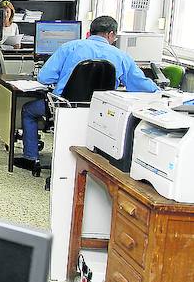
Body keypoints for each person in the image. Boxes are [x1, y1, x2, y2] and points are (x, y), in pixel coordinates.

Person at [14, 15, 159, 170]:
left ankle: (31, 158)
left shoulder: (69, 47)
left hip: (65, 107)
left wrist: (62, 77)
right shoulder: (122, 56)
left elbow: (44, 77)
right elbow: (141, 85)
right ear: (111, 34)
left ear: (90, 32)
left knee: (28, 110)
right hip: (102, 112)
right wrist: (159, 89)